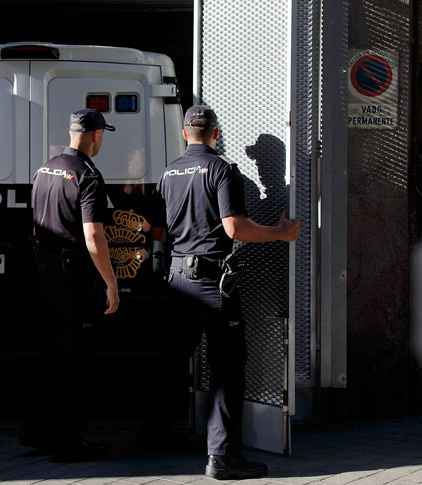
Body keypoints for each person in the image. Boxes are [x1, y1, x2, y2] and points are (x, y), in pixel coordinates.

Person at [151, 105, 299, 480]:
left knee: (171, 359)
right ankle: (223, 457)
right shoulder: (222, 168)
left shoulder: (169, 172)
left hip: (177, 278)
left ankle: (154, 435)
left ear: (186, 134)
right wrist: (280, 233)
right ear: (214, 133)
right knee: (228, 367)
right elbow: (235, 228)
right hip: (212, 282)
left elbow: (158, 231)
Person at [20, 108, 120, 463]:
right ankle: (67, 441)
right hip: (73, 274)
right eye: (102, 134)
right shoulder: (88, 175)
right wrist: (111, 282)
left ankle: (37, 432)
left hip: (46, 269)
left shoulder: (46, 167)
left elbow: (34, 223)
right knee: (74, 359)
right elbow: (94, 235)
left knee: (49, 353)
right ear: (96, 135)